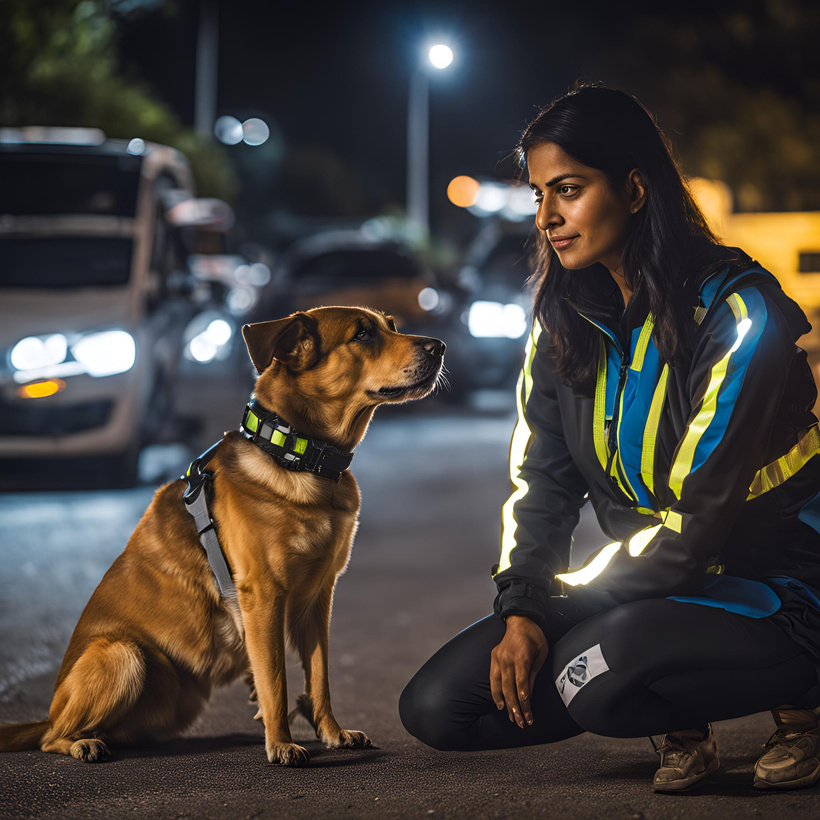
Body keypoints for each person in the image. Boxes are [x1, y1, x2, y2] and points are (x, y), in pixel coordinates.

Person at [399, 82, 820, 792]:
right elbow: (542, 484)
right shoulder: (566, 321)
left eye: (567, 189)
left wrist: (573, 604)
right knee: (441, 708)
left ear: (633, 189)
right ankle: (664, 692)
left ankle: (803, 698)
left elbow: (695, 523)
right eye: (538, 195)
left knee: (589, 674)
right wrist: (524, 606)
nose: (547, 217)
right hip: (660, 591)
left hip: (782, 585)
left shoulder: (740, 312)